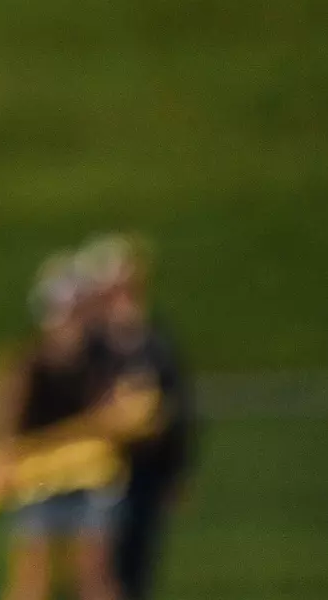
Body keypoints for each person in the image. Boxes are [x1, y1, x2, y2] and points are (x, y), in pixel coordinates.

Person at [0, 255, 122, 600]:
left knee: (93, 574)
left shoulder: (101, 358)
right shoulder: (28, 360)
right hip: (35, 474)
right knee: (31, 577)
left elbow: (113, 413)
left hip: (88, 475)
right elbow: (3, 415)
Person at [76, 235, 194, 600]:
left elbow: (178, 407)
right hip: (99, 470)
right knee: (96, 567)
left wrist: (176, 470)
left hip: (145, 470)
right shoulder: (93, 344)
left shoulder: (155, 342)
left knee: (137, 564)